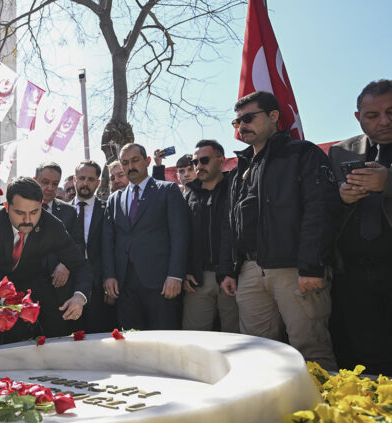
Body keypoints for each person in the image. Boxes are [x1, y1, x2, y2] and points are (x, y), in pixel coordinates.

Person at [220, 91, 341, 370]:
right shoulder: (241, 168)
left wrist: (311, 266)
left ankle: (322, 414)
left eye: (248, 118)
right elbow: (232, 222)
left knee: (311, 352)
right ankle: (265, 415)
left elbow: (320, 210)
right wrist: (229, 269)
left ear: (274, 116)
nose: (242, 126)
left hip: (294, 270)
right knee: (255, 355)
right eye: (237, 121)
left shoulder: (303, 153)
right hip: (249, 272)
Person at [0, 177, 91, 347]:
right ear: (6, 206)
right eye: (19, 213)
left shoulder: (52, 225)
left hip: (29, 289)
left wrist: (79, 297)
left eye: (34, 212)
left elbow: (80, 264)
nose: (27, 220)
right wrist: (5, 300)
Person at [328, 79, 392, 375]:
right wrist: (341, 198)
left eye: (391, 112)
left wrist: (388, 182)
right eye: (373, 115)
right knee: (366, 358)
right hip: (353, 274)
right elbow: (320, 209)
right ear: (358, 117)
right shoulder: (341, 152)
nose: (384, 121)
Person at [102, 143, 189, 330]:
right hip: (124, 285)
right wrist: (109, 276)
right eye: (125, 162)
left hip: (161, 283)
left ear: (147, 161)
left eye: (135, 160)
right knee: (131, 342)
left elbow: (179, 236)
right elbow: (108, 242)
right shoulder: (114, 199)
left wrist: (175, 275)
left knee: (164, 341)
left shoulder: (168, 191)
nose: (130, 166)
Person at [182, 140, 238, 332]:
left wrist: (232, 270)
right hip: (198, 280)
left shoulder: (236, 189)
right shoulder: (189, 196)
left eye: (204, 160)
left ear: (221, 160)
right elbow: (184, 237)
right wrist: (186, 270)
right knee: (194, 341)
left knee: (237, 340)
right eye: (195, 163)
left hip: (232, 277)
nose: (199, 166)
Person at [34, 162, 86, 336]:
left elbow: (78, 245)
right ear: (35, 181)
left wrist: (66, 264)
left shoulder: (69, 212)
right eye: (45, 182)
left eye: (55, 184)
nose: (50, 188)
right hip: (28, 291)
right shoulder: (20, 209)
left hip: (59, 293)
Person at [72, 160, 115, 333]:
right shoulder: (63, 211)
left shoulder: (107, 209)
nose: (85, 183)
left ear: (98, 183)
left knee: (98, 335)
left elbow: (111, 247)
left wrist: (109, 278)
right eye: (81, 178)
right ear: (75, 180)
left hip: (99, 286)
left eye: (91, 179)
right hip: (69, 285)